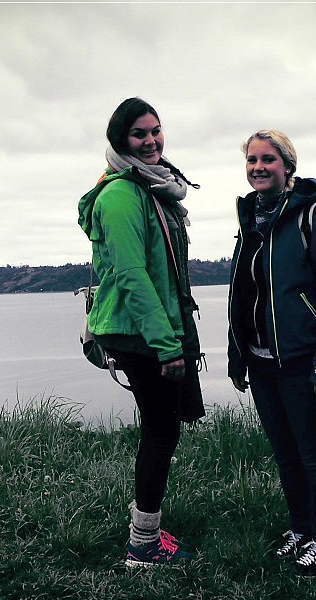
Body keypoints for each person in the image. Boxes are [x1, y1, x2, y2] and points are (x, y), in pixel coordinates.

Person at [77, 97, 204, 567]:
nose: (151, 141)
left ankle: (145, 532)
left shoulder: (150, 187)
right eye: (139, 134)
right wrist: (167, 345)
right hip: (141, 334)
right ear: (120, 140)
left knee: (161, 430)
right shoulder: (121, 195)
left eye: (155, 130)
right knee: (160, 433)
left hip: (152, 327)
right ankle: (143, 544)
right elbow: (132, 275)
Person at [227, 129, 316, 576]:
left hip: (302, 360)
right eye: (252, 160)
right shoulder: (250, 219)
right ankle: (302, 529)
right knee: (286, 454)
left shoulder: (314, 216)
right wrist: (237, 357)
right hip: (262, 362)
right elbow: (241, 294)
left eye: (268, 159)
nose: (258, 167)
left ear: (288, 166)